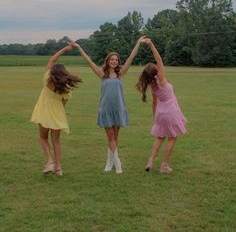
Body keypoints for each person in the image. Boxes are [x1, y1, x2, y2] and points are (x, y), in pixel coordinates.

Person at [70, 36, 146, 174]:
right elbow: (89, 61)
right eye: (112, 59)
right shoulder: (101, 73)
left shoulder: (121, 73)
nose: (114, 61)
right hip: (105, 109)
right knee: (111, 137)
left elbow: (131, 58)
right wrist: (79, 48)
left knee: (115, 138)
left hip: (118, 108)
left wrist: (138, 43)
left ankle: (109, 163)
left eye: (116, 59)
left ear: (118, 62)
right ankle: (118, 164)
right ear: (108, 61)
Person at [136, 39, 187, 174]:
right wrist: (151, 44)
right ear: (156, 71)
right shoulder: (162, 80)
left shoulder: (153, 86)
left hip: (161, 113)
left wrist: (155, 118)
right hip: (171, 111)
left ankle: (151, 160)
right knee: (172, 137)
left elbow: (154, 103)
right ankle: (164, 165)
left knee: (159, 137)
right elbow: (158, 58)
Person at [31, 45, 82, 176]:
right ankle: (58, 168)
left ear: (53, 72)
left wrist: (65, 49)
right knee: (56, 140)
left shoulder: (47, 78)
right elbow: (63, 104)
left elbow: (52, 59)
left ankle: (49, 162)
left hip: (43, 112)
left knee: (43, 138)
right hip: (58, 114)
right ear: (64, 74)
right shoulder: (66, 89)